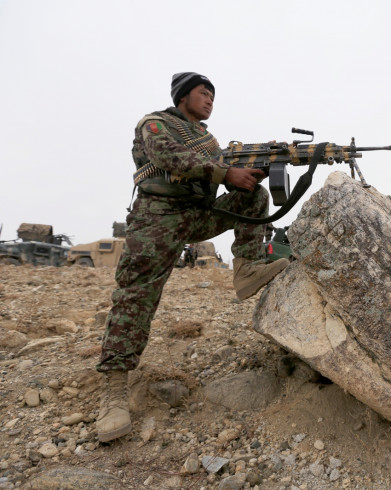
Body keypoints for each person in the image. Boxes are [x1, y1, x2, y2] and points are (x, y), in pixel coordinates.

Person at [95, 72, 288, 443]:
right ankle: (114, 391)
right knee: (136, 299)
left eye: (214, 95)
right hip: (158, 217)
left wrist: (252, 168)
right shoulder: (156, 124)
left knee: (255, 196)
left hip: (196, 215)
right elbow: (169, 157)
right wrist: (225, 170)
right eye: (204, 93)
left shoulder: (209, 140)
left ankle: (246, 267)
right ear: (183, 97)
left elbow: (226, 170)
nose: (210, 100)